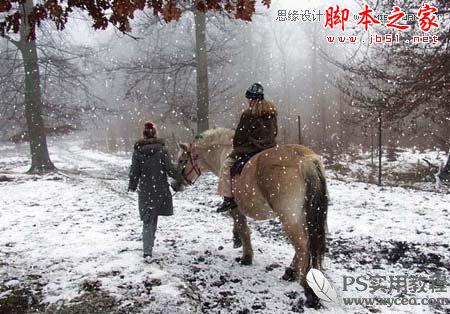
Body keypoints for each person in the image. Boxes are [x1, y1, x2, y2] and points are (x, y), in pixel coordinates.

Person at [217, 83, 278, 212]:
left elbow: (240, 136)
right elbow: (275, 132)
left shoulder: (248, 113)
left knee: (226, 166)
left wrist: (238, 147)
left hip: (251, 149)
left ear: (251, 99)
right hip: (270, 148)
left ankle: (228, 199)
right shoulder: (271, 112)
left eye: (249, 99)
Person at [128, 122, 181, 259]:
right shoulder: (162, 150)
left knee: (148, 218)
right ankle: (149, 247)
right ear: (155, 133)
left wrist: (132, 185)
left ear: (144, 134)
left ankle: (148, 249)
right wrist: (180, 177)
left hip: (145, 189)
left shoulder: (138, 151)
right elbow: (169, 169)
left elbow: (134, 171)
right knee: (154, 215)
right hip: (160, 188)